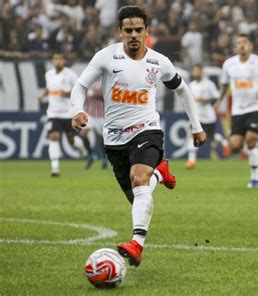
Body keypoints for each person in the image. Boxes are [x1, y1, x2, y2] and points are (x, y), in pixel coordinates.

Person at [70, 6, 206, 268]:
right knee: (138, 195)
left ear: (147, 32)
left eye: (138, 30)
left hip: (147, 130)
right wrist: (78, 109)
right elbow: (80, 86)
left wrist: (196, 126)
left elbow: (183, 91)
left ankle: (137, 244)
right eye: (128, 30)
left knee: (139, 178)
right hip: (114, 140)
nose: (133, 35)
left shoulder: (159, 62)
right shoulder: (106, 57)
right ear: (119, 32)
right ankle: (160, 172)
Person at [217, 34, 258, 188]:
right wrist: (218, 102)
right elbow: (224, 86)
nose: (242, 45)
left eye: (245, 42)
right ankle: (256, 149)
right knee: (235, 145)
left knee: (251, 139)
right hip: (238, 110)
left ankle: (255, 177)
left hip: (256, 107)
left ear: (250, 45)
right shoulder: (228, 64)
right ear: (235, 47)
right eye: (239, 42)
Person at [37, 52, 86, 177]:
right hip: (53, 113)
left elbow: (79, 89)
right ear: (53, 61)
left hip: (68, 114)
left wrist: (68, 94)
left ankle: (81, 149)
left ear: (64, 61)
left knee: (71, 140)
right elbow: (49, 88)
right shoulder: (49, 74)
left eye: (60, 59)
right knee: (54, 137)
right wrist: (42, 96)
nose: (58, 61)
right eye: (55, 59)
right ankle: (55, 168)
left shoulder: (70, 74)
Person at [185, 63, 230, 169]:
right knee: (193, 136)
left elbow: (216, 97)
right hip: (196, 116)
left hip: (209, 116)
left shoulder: (209, 84)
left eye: (197, 70)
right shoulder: (191, 85)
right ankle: (191, 161)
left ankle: (224, 142)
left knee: (211, 137)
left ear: (202, 72)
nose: (195, 73)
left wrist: (205, 100)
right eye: (194, 71)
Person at [79, 79, 108, 170]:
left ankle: (103, 157)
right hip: (89, 115)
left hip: (102, 115)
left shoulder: (104, 82)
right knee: (83, 134)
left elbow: (108, 98)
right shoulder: (87, 82)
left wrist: (96, 94)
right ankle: (90, 154)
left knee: (101, 139)